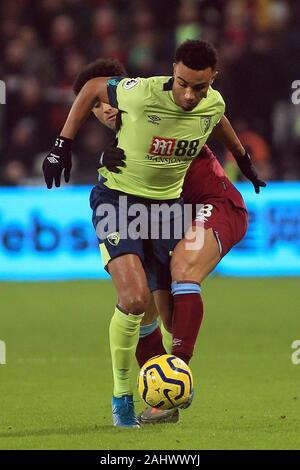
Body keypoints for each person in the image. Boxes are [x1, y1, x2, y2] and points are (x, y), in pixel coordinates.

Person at [42, 40, 266, 428]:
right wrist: (69, 148)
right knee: (139, 302)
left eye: (199, 87)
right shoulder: (130, 125)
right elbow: (121, 137)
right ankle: (148, 395)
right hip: (132, 208)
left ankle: (175, 378)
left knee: (176, 288)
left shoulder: (164, 103)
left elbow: (218, 114)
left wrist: (243, 158)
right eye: (97, 107)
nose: (106, 108)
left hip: (206, 206)